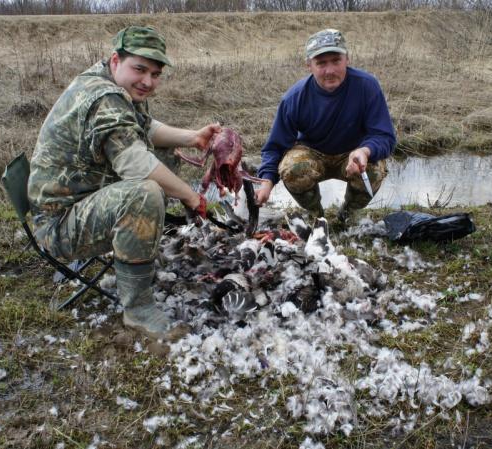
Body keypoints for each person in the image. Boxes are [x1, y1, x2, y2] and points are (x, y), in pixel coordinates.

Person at [28, 26, 219, 340]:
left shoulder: (110, 82)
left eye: (155, 74)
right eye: (140, 69)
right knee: (144, 193)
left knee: (161, 160)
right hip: (59, 225)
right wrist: (190, 197)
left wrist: (192, 137)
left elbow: (144, 128)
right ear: (116, 60)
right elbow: (135, 163)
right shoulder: (105, 98)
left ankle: (135, 253)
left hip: (82, 200)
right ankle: (138, 310)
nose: (148, 81)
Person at [254, 29, 396, 225]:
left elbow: (385, 136)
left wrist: (365, 151)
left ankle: (348, 215)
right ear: (309, 65)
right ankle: (316, 216)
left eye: (336, 61)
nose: (329, 70)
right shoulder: (294, 97)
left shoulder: (367, 86)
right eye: (321, 63)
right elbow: (275, 147)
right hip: (312, 153)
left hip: (353, 154)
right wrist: (266, 183)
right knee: (291, 168)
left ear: (347, 59)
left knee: (374, 169)